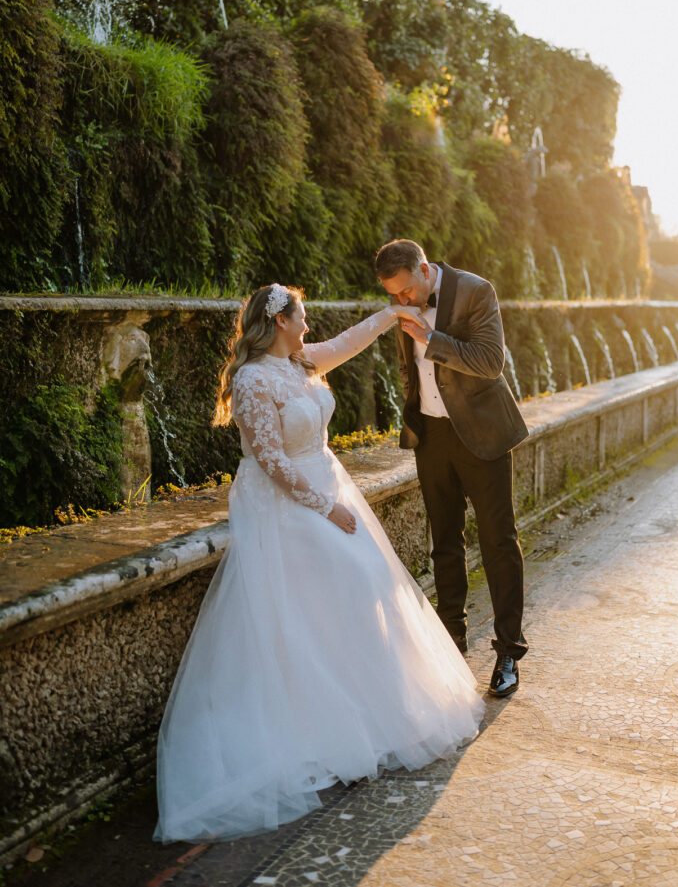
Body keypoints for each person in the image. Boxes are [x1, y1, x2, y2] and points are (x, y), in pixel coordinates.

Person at [154, 284, 484, 844]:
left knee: (361, 594)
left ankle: (363, 714)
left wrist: (390, 314)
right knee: (332, 596)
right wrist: (325, 507)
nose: (308, 326)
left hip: (329, 487)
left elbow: (350, 341)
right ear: (279, 322)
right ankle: (314, 729)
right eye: (302, 317)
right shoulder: (254, 379)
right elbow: (270, 459)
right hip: (288, 504)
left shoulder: (300, 361)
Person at [375, 240, 530, 699]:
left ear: (425, 269)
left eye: (405, 291)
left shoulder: (477, 291)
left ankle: (507, 651)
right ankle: (451, 644)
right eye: (393, 295)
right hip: (433, 437)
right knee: (444, 543)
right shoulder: (403, 300)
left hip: (482, 434)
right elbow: (408, 369)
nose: (401, 302)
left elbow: (490, 361)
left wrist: (431, 339)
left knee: (498, 542)